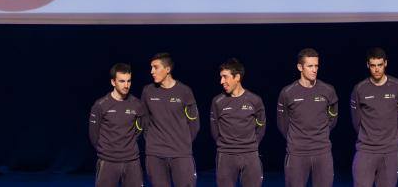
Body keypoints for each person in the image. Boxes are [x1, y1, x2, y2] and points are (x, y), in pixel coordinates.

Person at [277, 48, 339, 187]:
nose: (314, 69)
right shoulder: (287, 93)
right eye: (310, 66)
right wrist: (296, 139)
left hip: (322, 152)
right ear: (300, 67)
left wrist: (321, 134)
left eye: (316, 65)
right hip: (297, 154)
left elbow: (333, 118)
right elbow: (282, 124)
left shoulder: (328, 90)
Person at [350, 47, 398, 187]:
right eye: (373, 65)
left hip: (390, 151)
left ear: (386, 63)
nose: (377, 69)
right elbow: (355, 120)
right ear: (368, 65)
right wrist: (366, 137)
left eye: (380, 65)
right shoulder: (359, 89)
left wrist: (397, 137)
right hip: (366, 150)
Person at [141, 53, 200, 187]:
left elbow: (194, 124)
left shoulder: (185, 92)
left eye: (155, 67)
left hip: (181, 154)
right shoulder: (147, 91)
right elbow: (144, 121)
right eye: (151, 68)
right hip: (155, 155)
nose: (152, 71)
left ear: (167, 69)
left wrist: (182, 143)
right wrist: (152, 141)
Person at [210, 58, 266, 187]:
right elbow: (214, 130)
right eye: (221, 77)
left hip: (250, 155)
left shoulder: (255, 100)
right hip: (225, 156)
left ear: (237, 77)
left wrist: (251, 145)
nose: (221, 81)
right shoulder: (217, 101)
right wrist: (225, 145)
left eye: (225, 77)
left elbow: (261, 127)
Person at [89, 63, 144, 187]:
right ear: (113, 82)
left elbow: (140, 129)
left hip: (132, 161)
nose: (126, 85)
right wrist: (106, 151)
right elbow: (93, 135)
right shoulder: (100, 105)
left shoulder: (137, 104)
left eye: (129, 81)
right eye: (122, 81)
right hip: (108, 161)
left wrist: (128, 146)